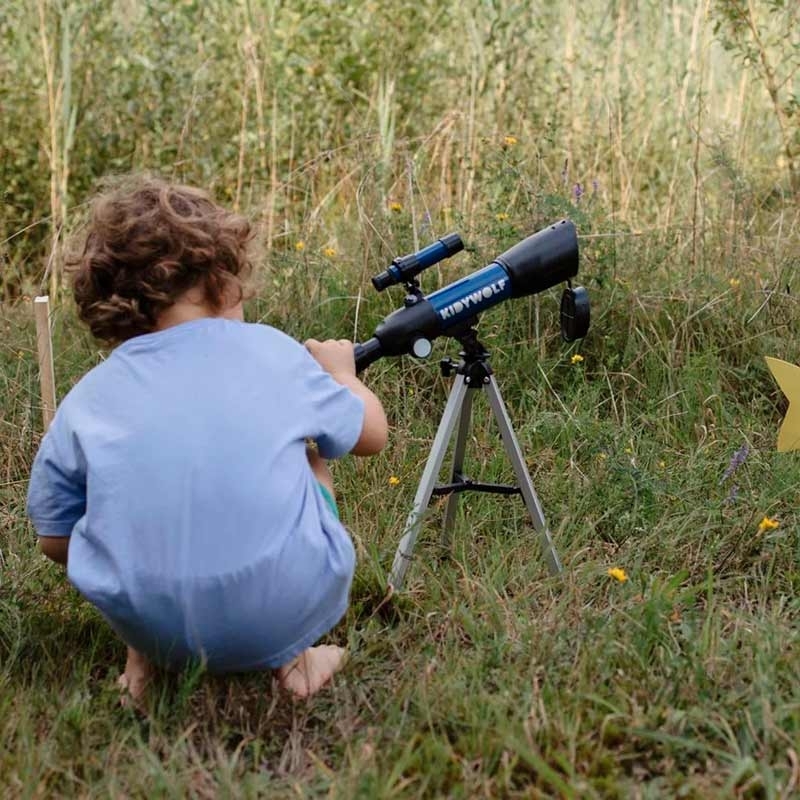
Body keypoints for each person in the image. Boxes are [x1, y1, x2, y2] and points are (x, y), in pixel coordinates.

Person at [26, 176, 388, 704]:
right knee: (310, 458)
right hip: (283, 606)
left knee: (128, 510)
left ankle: (144, 664)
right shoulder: (273, 352)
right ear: (222, 280)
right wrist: (342, 373)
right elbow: (372, 435)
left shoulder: (88, 397)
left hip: (149, 622)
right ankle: (298, 660)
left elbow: (53, 538)